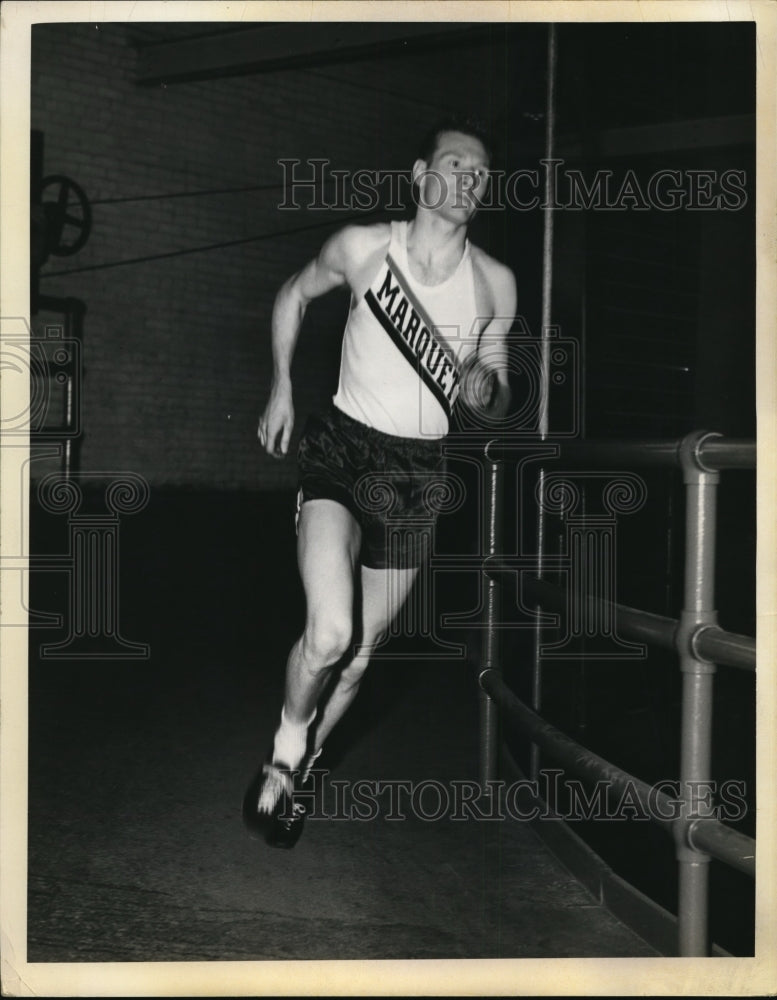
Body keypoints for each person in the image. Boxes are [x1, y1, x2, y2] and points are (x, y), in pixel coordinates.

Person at [243, 117, 517, 848]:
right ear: (421, 174)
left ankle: (298, 774)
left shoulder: (495, 283)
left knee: (362, 653)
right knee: (330, 632)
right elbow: (292, 296)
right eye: (456, 165)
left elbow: (494, 401)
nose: (469, 181)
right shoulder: (363, 248)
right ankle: (286, 742)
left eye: (481, 174)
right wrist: (279, 389)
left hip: (417, 472)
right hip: (342, 448)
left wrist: (483, 386)